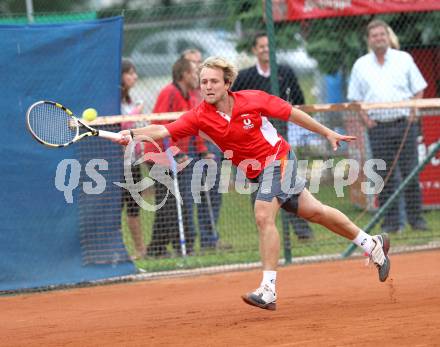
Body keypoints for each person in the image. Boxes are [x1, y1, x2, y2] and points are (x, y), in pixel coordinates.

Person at [116, 57, 391, 311]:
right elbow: (164, 130)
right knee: (315, 211)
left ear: (227, 84)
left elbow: (291, 113)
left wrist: (328, 132)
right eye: (204, 82)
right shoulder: (199, 115)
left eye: (214, 81)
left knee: (262, 215)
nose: (208, 86)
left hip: (279, 158)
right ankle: (372, 243)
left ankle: (268, 289)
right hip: (257, 172)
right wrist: (132, 134)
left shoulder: (252, 99)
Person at [348, 19, 428, 234]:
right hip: (378, 128)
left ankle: (417, 219)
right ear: (369, 40)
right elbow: (355, 99)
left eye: (382, 34)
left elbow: (419, 88)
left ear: (388, 36)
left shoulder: (404, 59)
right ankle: (391, 223)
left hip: (405, 125)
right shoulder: (360, 65)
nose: (379, 38)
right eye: (374, 36)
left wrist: (414, 111)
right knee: (384, 176)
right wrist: (366, 120)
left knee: (411, 172)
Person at [232, 31, 314, 241]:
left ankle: (302, 232)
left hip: (279, 135)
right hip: (253, 139)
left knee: (288, 183)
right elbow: (233, 104)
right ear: (254, 50)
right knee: (259, 185)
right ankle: (267, 231)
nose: (265, 50)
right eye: (261, 46)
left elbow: (298, 100)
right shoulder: (245, 76)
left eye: (269, 46)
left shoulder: (285, 72)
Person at [145, 57, 208, 257]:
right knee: (169, 204)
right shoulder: (169, 93)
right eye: (194, 72)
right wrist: (174, 152)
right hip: (158, 154)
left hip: (177, 156)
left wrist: (202, 149)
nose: (197, 76)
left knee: (177, 203)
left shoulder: (189, 97)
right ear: (184, 74)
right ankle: (157, 249)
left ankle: (168, 247)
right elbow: (159, 126)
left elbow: (192, 128)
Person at [181, 48, 226, 250]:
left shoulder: (206, 89)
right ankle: (195, 241)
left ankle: (210, 239)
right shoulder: (184, 91)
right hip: (193, 148)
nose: (197, 67)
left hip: (210, 145)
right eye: (192, 63)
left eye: (200, 62)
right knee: (195, 196)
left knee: (214, 193)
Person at [120, 58, 146, 260]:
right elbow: (123, 127)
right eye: (130, 72)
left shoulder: (129, 100)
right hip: (117, 163)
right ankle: (116, 249)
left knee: (134, 206)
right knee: (114, 208)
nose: (134, 76)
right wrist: (138, 111)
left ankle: (140, 250)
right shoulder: (116, 101)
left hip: (134, 161)